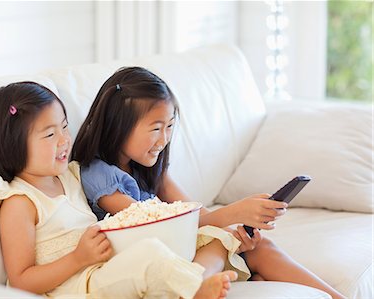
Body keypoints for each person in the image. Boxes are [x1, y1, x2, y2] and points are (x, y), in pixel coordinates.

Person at [72, 67, 346, 299]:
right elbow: (153, 228)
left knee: (257, 247)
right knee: (221, 243)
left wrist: (236, 232)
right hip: (152, 261)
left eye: (169, 126)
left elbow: (198, 213)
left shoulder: (150, 167)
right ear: (117, 125)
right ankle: (192, 286)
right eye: (155, 128)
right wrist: (234, 214)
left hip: (180, 248)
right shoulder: (100, 176)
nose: (163, 139)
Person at [0, 81, 238, 299]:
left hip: (105, 269)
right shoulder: (20, 202)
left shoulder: (72, 175)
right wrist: (77, 259)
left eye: (65, 127)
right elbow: (21, 280)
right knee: (150, 253)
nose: (65, 139)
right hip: (76, 287)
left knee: (212, 237)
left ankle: (191, 281)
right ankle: (194, 288)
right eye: (49, 135)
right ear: (13, 145)